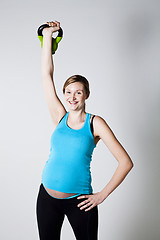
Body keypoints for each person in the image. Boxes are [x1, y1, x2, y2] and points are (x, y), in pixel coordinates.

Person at [36, 20, 134, 240]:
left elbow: (126, 162)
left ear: (86, 95)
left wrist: (101, 195)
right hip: (47, 198)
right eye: (68, 92)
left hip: (81, 202)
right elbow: (46, 75)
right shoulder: (59, 117)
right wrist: (47, 35)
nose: (72, 97)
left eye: (78, 92)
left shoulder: (95, 123)